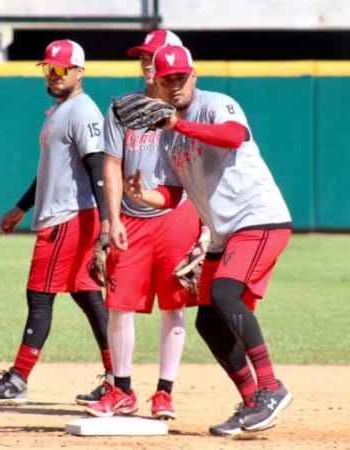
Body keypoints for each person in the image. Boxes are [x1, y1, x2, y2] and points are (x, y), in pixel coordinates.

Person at [123, 44, 294, 436]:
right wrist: (141, 195)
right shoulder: (168, 137)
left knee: (225, 294)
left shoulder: (218, 104)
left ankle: (271, 387)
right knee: (208, 320)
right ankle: (253, 399)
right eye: (167, 79)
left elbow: (233, 137)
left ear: (193, 76)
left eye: (181, 77)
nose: (175, 85)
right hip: (224, 233)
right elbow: (172, 194)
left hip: (259, 219)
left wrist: (175, 125)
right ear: (160, 85)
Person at [0, 39, 113, 406]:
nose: (53, 75)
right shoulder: (60, 111)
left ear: (80, 72)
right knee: (88, 296)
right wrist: (21, 207)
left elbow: (98, 167)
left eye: (61, 69)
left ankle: (18, 379)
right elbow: (52, 172)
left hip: (70, 217)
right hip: (68, 213)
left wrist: (107, 224)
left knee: (39, 295)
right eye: (49, 68)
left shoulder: (82, 111)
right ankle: (117, 378)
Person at [82, 30, 203, 420]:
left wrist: (204, 228)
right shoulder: (123, 107)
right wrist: (113, 218)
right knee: (119, 306)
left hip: (176, 216)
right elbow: (111, 164)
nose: (147, 61)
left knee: (174, 305)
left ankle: (165, 392)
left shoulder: (190, 109)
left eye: (154, 55)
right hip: (132, 220)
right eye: (143, 56)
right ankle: (122, 390)